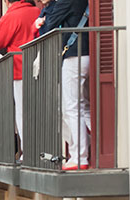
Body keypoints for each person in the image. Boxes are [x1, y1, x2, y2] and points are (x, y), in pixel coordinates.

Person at [41, 0, 90, 170]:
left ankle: (80, 156)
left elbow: (49, 26)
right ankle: (91, 149)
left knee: (72, 107)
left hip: (74, 55)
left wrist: (41, 20)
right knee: (83, 106)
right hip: (88, 52)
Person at [0, 0, 40, 158]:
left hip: (19, 69)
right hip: (39, 65)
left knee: (22, 112)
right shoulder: (36, 11)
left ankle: (29, 152)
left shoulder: (11, 16)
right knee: (41, 110)